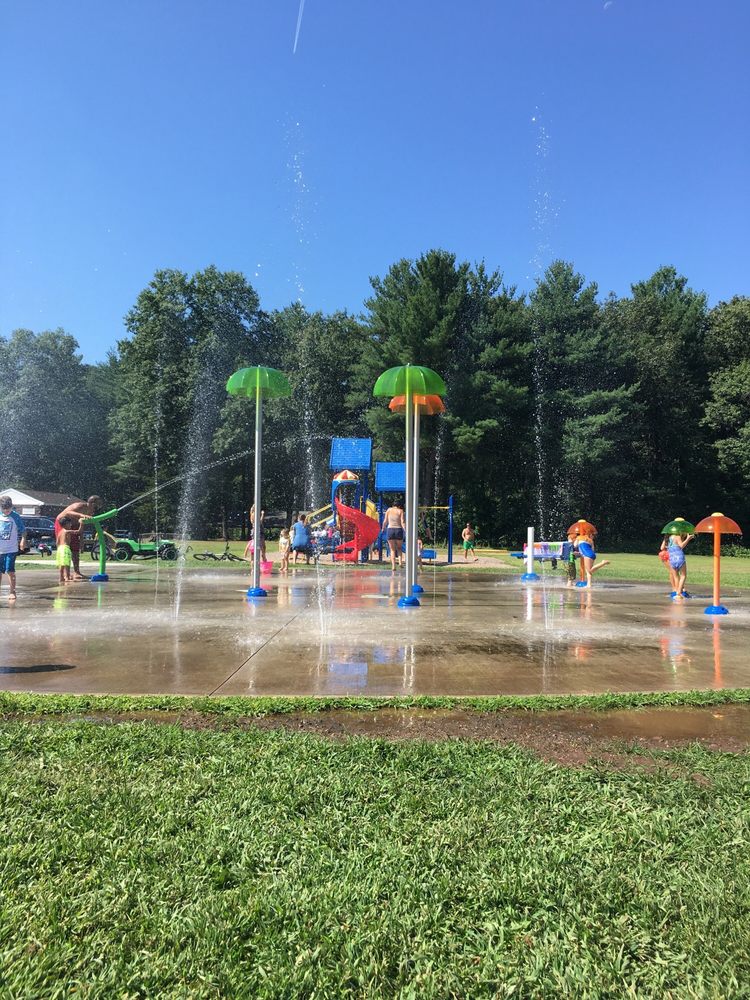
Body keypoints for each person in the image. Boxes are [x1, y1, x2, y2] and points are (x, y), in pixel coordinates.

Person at [55, 495, 102, 580]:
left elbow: (81, 524)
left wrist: (81, 540)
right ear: (92, 503)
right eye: (97, 506)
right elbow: (68, 513)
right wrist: (82, 515)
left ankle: (76, 572)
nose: (97, 508)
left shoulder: (90, 512)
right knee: (65, 550)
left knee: (75, 549)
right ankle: (65, 575)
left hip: (74, 526)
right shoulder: (79, 506)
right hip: (62, 523)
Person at [0, 495, 27, 602]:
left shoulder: (15, 516)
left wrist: (23, 540)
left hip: (11, 549)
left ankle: (12, 591)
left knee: (10, 571)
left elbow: (23, 531)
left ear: (12, 506)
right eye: (4, 508)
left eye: (8, 508)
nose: (6, 511)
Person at [664, 531, 694, 600]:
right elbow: (681, 546)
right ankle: (679, 593)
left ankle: (677, 592)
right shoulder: (677, 537)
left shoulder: (668, 538)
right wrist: (688, 539)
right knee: (683, 575)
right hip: (679, 557)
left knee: (676, 577)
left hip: (672, 558)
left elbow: (664, 547)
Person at [56, 516, 82, 585]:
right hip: (65, 548)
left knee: (62, 564)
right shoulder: (67, 531)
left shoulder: (60, 532)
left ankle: (61, 577)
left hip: (60, 549)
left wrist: (59, 548)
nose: (71, 525)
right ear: (66, 524)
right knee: (67, 564)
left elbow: (57, 542)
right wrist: (82, 523)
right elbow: (78, 531)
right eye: (70, 523)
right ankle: (67, 577)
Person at [382, 501, 406, 572]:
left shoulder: (389, 510)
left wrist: (383, 528)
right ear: (399, 506)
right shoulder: (400, 511)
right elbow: (402, 521)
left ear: (393, 505)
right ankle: (400, 562)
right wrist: (405, 530)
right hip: (398, 529)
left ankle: (393, 566)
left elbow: (385, 521)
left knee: (392, 549)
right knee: (399, 548)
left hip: (390, 530)